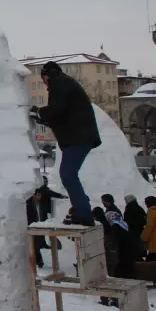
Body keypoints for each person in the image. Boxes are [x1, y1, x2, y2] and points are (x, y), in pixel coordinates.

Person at [32, 62, 101, 227]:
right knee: (69, 174)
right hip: (79, 136)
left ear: (47, 74)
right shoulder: (64, 83)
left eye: (43, 79)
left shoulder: (59, 83)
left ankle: (84, 213)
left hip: (78, 137)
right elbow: (61, 115)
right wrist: (42, 116)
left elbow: (58, 109)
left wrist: (40, 112)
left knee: (68, 174)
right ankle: (81, 209)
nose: (44, 83)